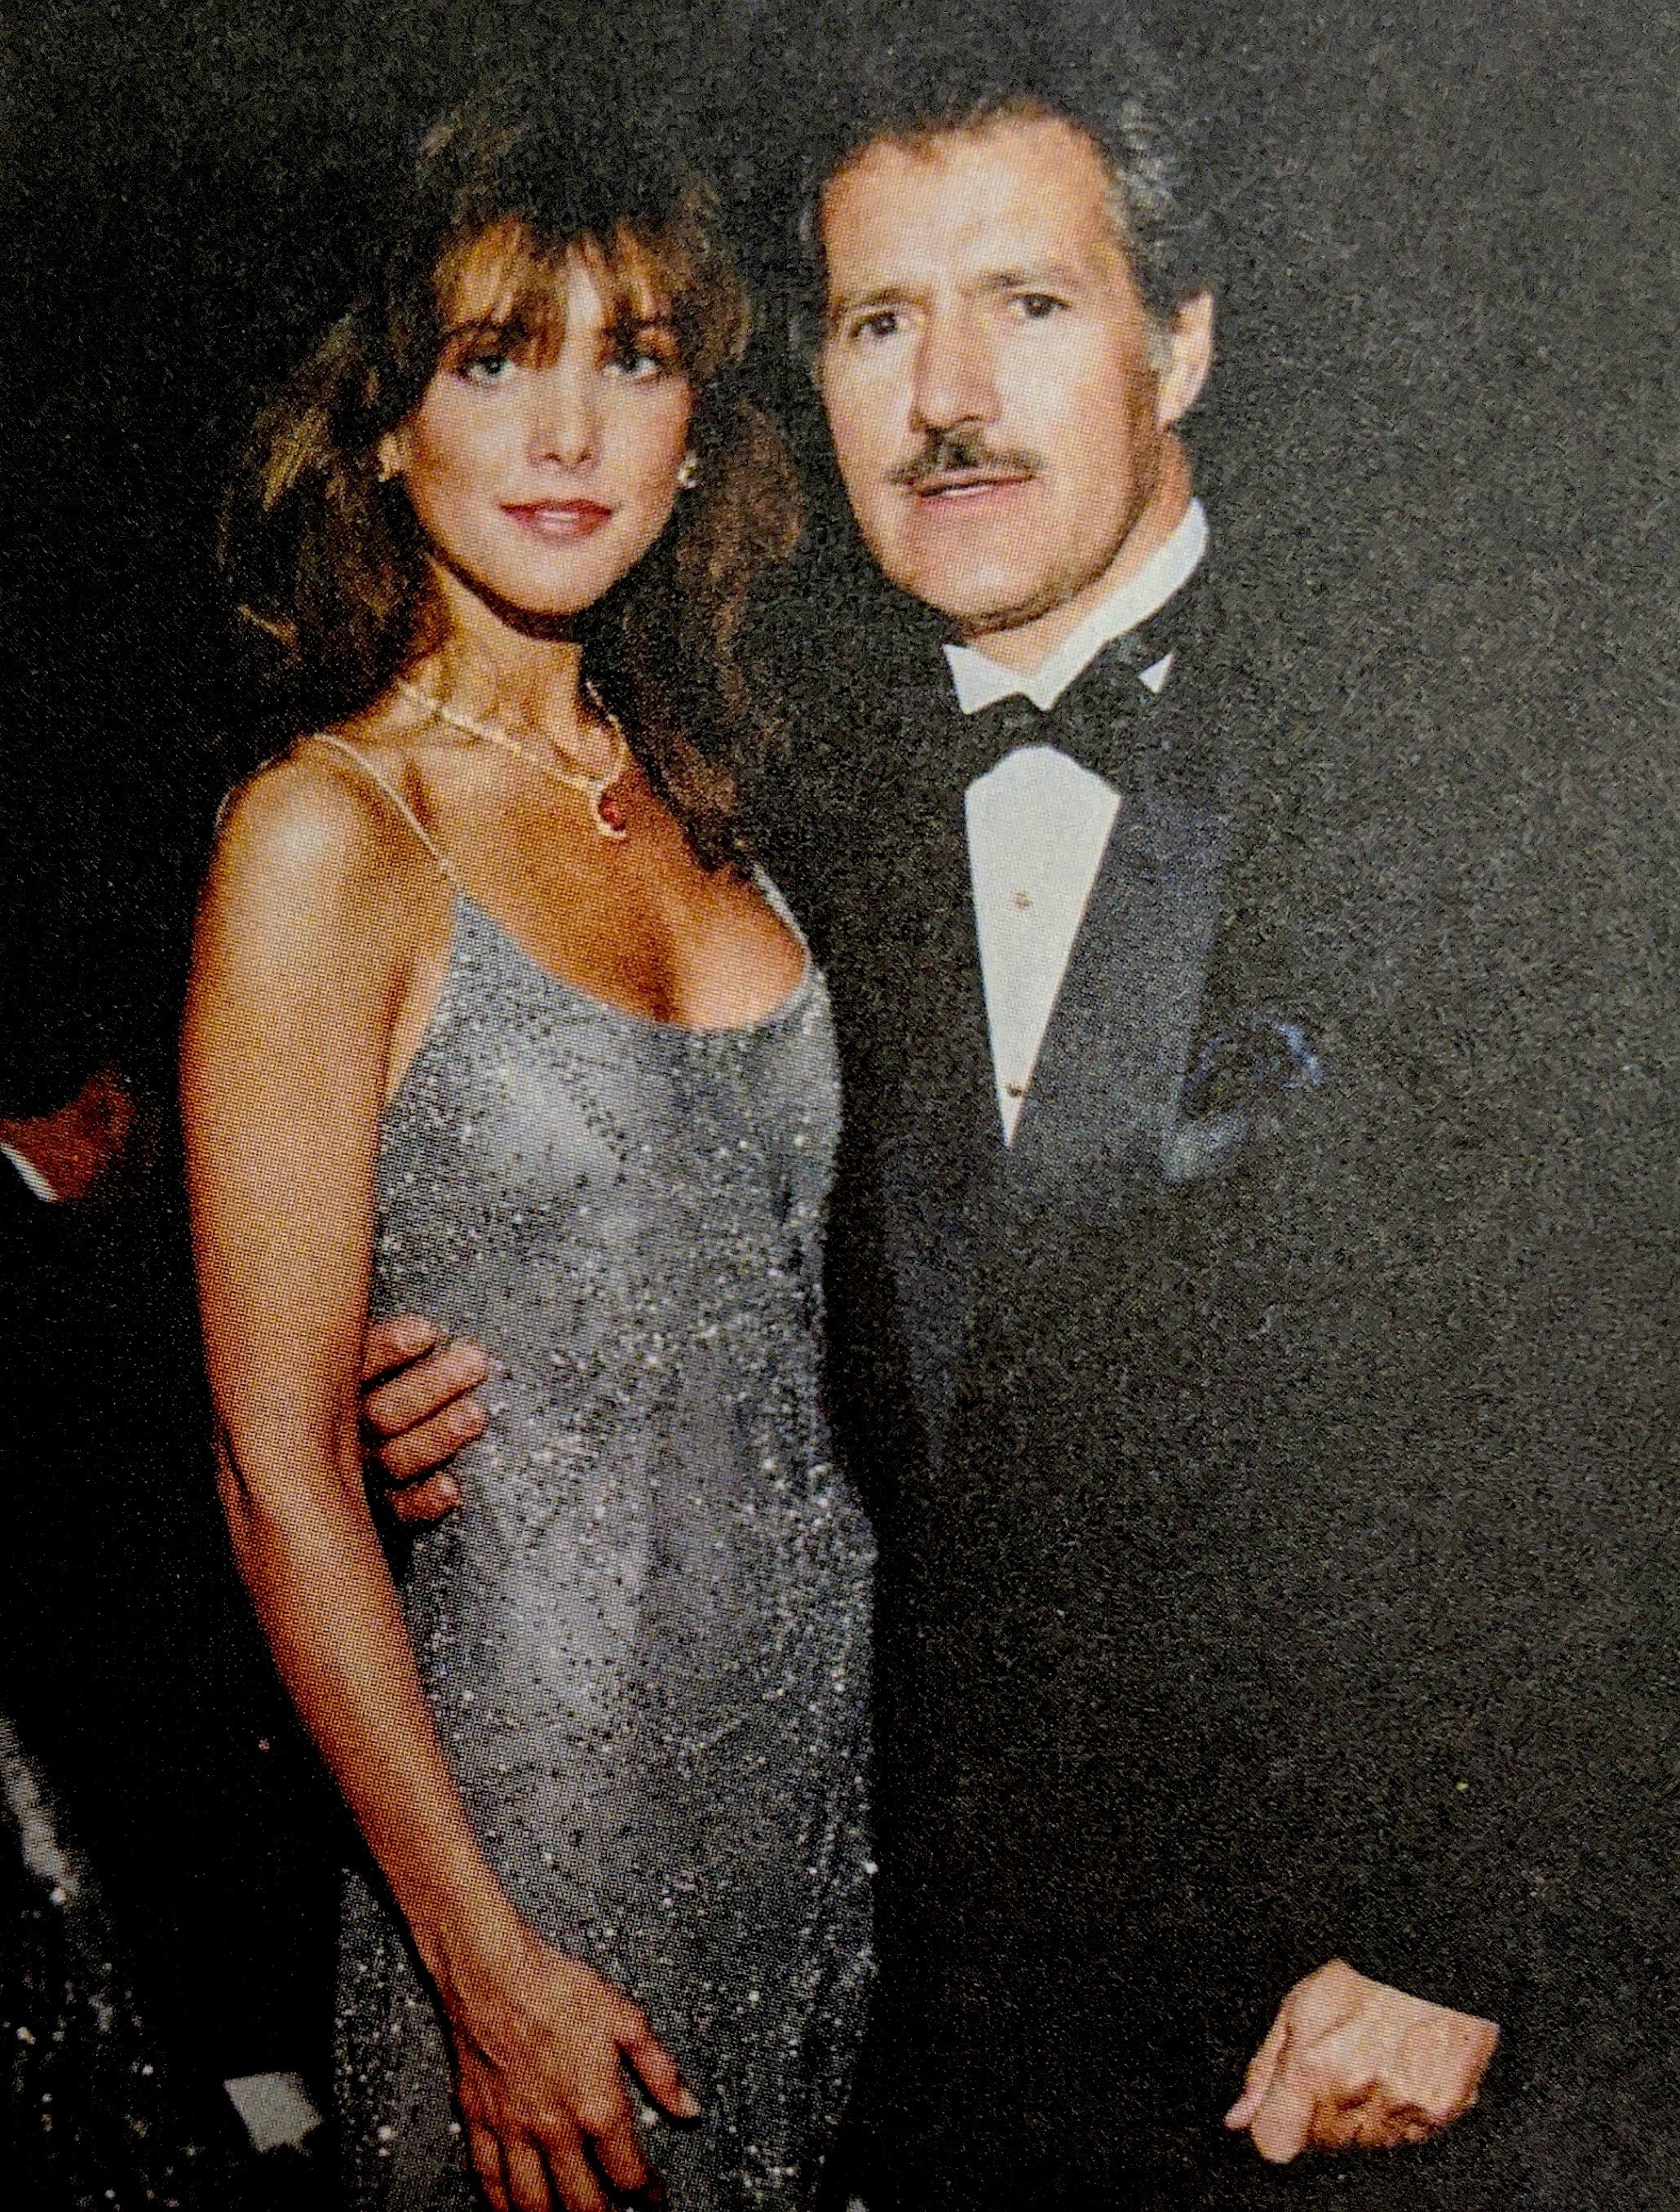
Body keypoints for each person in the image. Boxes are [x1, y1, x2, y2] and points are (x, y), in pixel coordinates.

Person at [365, 7, 1680, 2206]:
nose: (946, 399)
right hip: (944, 2040)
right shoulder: (754, 799)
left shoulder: (1490, 739)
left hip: (1387, 2043)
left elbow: (1630, 1379)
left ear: (1181, 341)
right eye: (880, 321)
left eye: (1030, 307)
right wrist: (421, 1381)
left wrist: (1469, 1929)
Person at [182, 89, 873, 2212]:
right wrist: (483, 1971)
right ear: (387, 426)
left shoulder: (729, 793)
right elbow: (277, 1469)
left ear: (700, 431)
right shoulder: (329, 838)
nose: (569, 431)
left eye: (632, 359)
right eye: (496, 359)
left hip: (842, 1825)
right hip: (541, 1850)